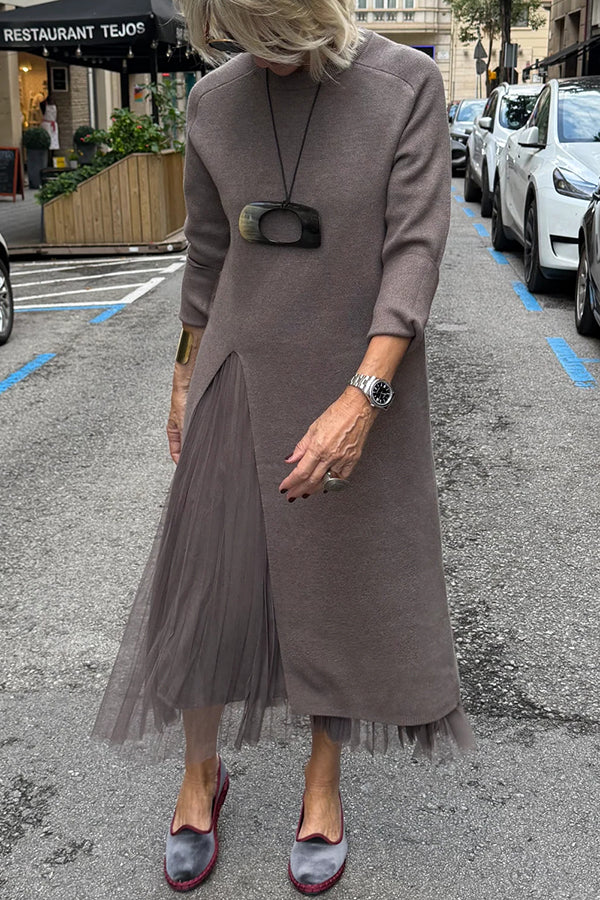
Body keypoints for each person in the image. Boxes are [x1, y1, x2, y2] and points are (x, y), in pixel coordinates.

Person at [93, 0, 475, 893]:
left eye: (272, 37)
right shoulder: (213, 101)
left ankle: (322, 781)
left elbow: (415, 252)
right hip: (239, 368)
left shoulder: (405, 84)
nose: (256, 58)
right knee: (209, 576)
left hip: (354, 372)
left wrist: (364, 398)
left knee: (332, 576)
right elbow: (207, 254)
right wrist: (183, 373)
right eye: (234, 36)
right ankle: (199, 775)